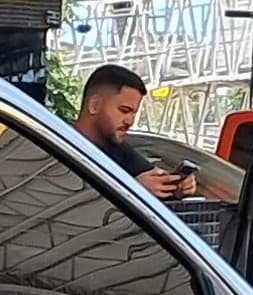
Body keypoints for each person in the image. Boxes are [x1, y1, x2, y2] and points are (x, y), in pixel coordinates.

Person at [72, 63, 194, 201]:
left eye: (134, 113)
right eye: (124, 111)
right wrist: (132, 189)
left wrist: (174, 187)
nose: (130, 121)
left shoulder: (119, 149)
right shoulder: (59, 147)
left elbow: (151, 177)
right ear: (94, 105)